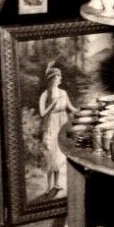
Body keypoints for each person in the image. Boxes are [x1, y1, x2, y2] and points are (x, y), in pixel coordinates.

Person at [37, 61, 72, 197]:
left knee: (58, 153)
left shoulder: (64, 92)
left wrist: (82, 111)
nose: (61, 78)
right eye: (59, 76)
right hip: (51, 123)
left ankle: (56, 184)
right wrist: (52, 104)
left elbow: (71, 107)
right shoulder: (45, 94)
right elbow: (42, 113)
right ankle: (48, 186)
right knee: (50, 153)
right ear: (53, 78)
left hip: (62, 123)